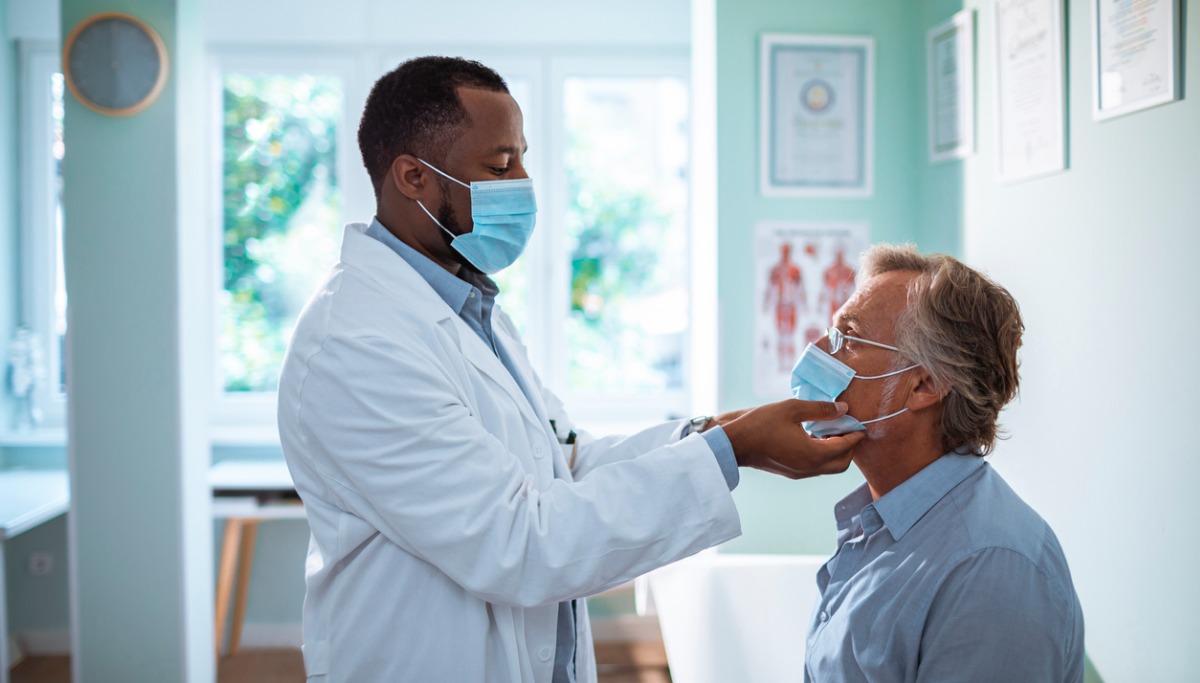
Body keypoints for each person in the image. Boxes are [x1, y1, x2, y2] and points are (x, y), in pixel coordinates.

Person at [277, 55, 865, 683]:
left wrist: (716, 432)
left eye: (523, 158)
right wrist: (733, 449)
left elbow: (563, 464)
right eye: (501, 166)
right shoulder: (357, 342)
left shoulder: (468, 305)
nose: (525, 182)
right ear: (414, 177)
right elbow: (520, 542)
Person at [792, 244, 1084, 682]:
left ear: (924, 384)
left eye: (848, 338)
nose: (818, 351)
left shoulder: (991, 570)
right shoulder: (878, 529)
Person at [763, 241, 806, 372]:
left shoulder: (795, 269)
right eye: (784, 251)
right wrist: (766, 304)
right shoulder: (776, 270)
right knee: (781, 336)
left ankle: (791, 363)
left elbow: (800, 288)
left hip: (791, 305)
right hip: (780, 306)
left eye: (787, 251)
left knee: (791, 336)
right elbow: (770, 288)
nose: (785, 253)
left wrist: (804, 305)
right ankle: (781, 364)